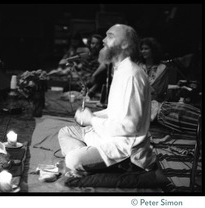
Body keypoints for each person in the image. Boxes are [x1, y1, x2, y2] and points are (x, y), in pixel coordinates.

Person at [58, 24, 156, 177]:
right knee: (65, 131)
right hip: (107, 135)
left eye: (110, 36)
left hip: (125, 148)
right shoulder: (120, 70)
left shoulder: (131, 75)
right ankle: (89, 162)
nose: (103, 40)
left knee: (72, 159)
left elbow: (130, 126)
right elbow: (115, 112)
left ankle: (108, 165)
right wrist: (94, 116)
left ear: (124, 44)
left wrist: (91, 120)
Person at [139, 37, 169, 102]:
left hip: (154, 104)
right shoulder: (138, 66)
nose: (143, 51)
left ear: (153, 50)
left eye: (146, 49)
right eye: (142, 49)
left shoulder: (162, 68)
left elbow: (160, 91)